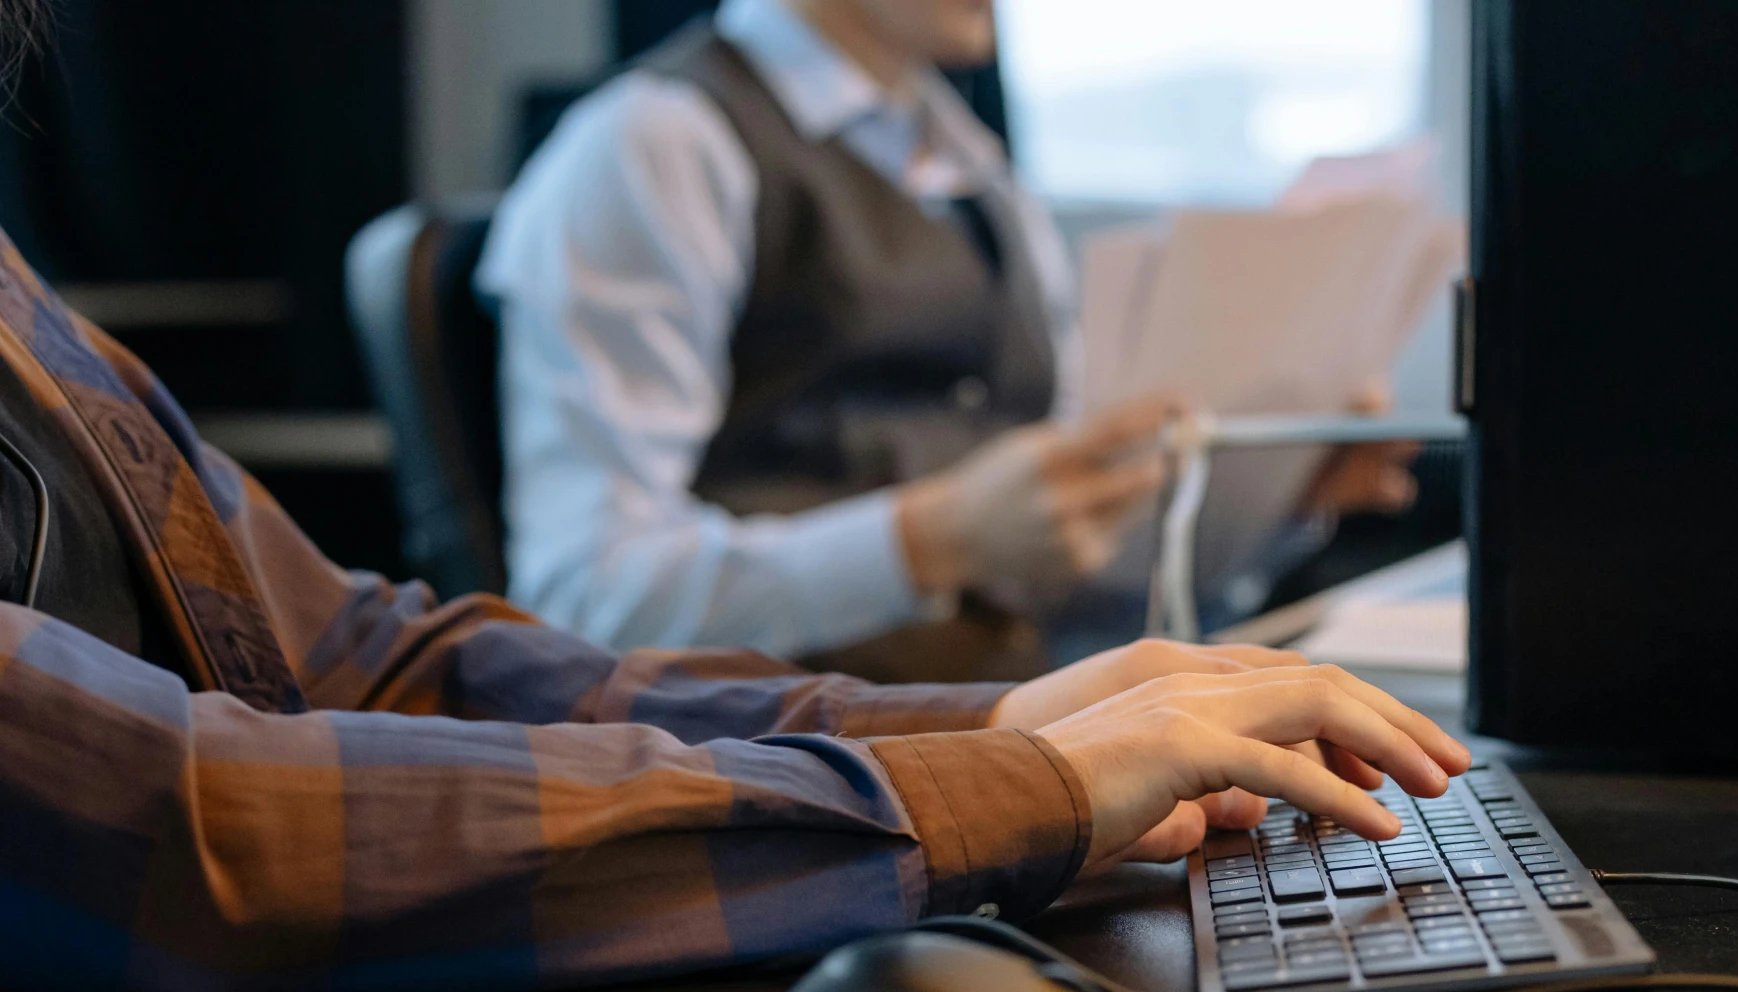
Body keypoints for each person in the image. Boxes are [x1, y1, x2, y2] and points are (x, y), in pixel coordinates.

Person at [0, 205, 1466, 992]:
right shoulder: (651, 159)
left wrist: (1000, 728)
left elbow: (361, 661)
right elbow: (180, 823)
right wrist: (999, 772)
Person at [479, 0, 1417, 676]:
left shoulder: (980, 173)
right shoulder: (655, 148)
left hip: (1020, 733)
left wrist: (1281, 507)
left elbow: (1074, 590)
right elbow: (583, 595)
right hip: (802, 778)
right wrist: (935, 539)